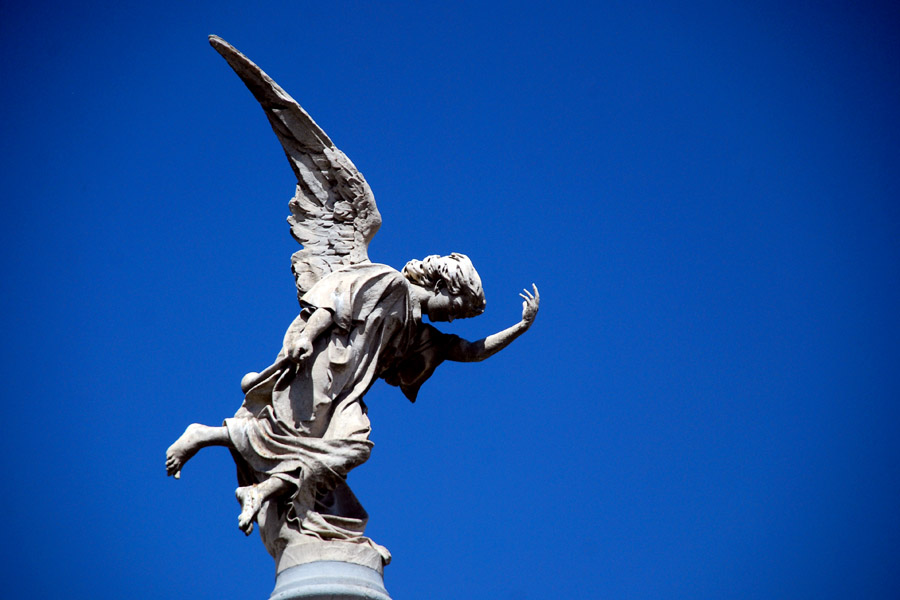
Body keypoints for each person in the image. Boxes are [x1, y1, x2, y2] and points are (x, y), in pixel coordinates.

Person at [166, 253, 539, 559]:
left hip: (349, 392)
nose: (454, 317)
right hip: (326, 365)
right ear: (442, 286)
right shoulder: (389, 282)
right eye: (458, 307)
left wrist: (520, 328)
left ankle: (262, 492)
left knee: (353, 444)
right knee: (288, 434)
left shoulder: (419, 333)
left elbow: (470, 351)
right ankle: (203, 435)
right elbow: (335, 302)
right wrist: (307, 337)